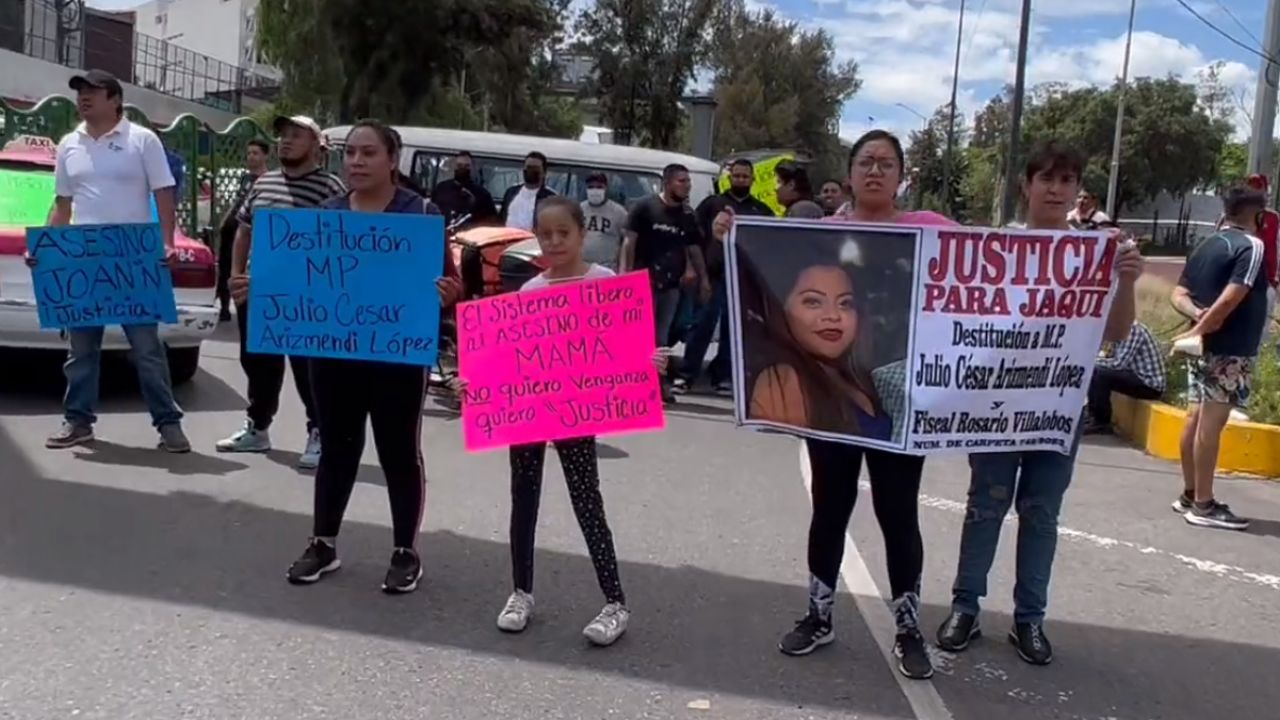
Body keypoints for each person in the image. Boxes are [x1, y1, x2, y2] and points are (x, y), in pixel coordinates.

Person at [714, 129, 955, 680]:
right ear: (848, 174)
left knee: (898, 514)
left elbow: (1001, 262)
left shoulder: (932, 230)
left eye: (886, 163)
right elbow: (762, 267)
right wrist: (731, 235)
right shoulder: (817, 234)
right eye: (866, 162)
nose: (875, 171)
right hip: (830, 407)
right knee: (830, 507)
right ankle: (818, 616)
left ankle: (908, 626)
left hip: (899, 403)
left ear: (901, 176)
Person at [935, 141, 1142, 666]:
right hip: (995, 408)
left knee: (1041, 513)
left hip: (1057, 407)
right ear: (1026, 186)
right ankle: (965, 607)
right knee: (986, 505)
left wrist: (1128, 281)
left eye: (1067, 180)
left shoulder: (1097, 255)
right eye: (1046, 178)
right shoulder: (996, 248)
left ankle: (1030, 619)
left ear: (1078, 192)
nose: (1056, 188)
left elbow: (1115, 333)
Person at [260, 120, 463, 592]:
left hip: (396, 357)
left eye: (368, 153)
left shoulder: (421, 215)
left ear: (392, 160)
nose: (356, 161)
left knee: (398, 452)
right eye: (350, 153)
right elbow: (298, 280)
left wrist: (448, 293)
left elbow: (450, 286)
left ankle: (405, 551)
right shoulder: (326, 215)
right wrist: (262, 288)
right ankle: (323, 543)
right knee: (337, 448)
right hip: (332, 357)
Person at [463, 196, 667, 645]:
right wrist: (474, 386)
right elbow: (506, 361)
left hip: (577, 411)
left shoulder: (605, 283)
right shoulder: (530, 291)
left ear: (582, 234)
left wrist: (647, 363)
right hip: (530, 411)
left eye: (564, 233)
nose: (554, 242)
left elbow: (624, 348)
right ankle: (521, 592)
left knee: (586, 500)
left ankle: (615, 602)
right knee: (524, 497)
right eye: (546, 234)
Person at [31, 69, 190, 453]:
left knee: (147, 349)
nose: (83, 97)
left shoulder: (142, 140)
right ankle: (78, 421)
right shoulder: (70, 144)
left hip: (132, 261)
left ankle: (168, 423)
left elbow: (164, 193)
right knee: (81, 351)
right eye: (80, 92)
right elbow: (63, 204)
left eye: (92, 91)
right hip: (85, 264)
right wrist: (49, 247)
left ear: (115, 99)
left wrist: (166, 242)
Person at [222, 116, 346, 468]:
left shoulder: (330, 188)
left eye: (296, 135)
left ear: (317, 147)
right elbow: (244, 231)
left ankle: (319, 431)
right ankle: (257, 428)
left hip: (307, 299)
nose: (285, 141)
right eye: (283, 135)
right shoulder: (264, 183)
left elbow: (341, 244)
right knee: (258, 364)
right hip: (259, 292)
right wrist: (236, 276)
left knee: (309, 369)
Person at [1168, 185, 1269, 532]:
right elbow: (1232, 297)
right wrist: (1204, 326)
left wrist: (1196, 319)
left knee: (1196, 417)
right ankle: (1204, 504)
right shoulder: (1252, 246)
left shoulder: (1206, 244)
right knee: (1211, 423)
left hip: (1205, 347)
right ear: (1257, 215)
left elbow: (1178, 294)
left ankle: (1190, 492)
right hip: (1231, 349)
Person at [740, 243, 892, 440]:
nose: (833, 316)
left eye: (845, 303)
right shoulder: (782, 381)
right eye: (813, 302)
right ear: (781, 307)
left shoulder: (857, 376)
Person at [679, 159, 775, 396]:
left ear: (753, 179)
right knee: (702, 325)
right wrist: (693, 269)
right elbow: (693, 236)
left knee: (734, 331)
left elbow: (770, 245)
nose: (741, 180)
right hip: (712, 277)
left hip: (742, 280)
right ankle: (687, 375)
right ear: (729, 178)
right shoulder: (713, 204)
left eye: (745, 176)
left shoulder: (761, 211)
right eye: (737, 176)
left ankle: (723, 377)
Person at [622, 164, 710, 402]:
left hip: (671, 286)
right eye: (682, 181)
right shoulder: (644, 207)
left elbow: (693, 248)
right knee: (638, 335)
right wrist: (625, 276)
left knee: (661, 338)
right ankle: (634, 385)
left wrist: (703, 280)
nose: (687, 185)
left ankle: (658, 384)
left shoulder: (687, 215)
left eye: (688, 181)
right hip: (642, 281)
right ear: (668, 182)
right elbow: (629, 242)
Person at [216, 139, 270, 322]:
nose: (251, 157)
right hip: (231, 230)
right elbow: (237, 203)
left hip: (248, 233)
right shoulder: (246, 178)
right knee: (225, 267)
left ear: (265, 156)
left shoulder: (267, 180)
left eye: (255, 153)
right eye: (249, 153)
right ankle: (223, 306)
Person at [1085, 321, 1166, 434]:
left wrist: (1090, 362)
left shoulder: (1133, 330)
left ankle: (1101, 422)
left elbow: (1119, 363)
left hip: (1149, 384)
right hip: (1135, 376)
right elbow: (1108, 356)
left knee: (1099, 373)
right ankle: (1092, 415)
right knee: (1096, 371)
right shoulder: (1117, 331)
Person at [431, 150, 497, 227]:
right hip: (443, 231)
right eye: (459, 165)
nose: (463, 168)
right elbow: (432, 213)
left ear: (472, 167)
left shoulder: (482, 194)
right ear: (454, 167)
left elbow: (491, 220)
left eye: (466, 166)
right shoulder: (441, 189)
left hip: (470, 234)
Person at [580, 172, 628, 271]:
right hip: (581, 267)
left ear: (606, 188)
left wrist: (623, 268)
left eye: (599, 187)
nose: (595, 190)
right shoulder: (578, 209)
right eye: (591, 187)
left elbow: (626, 242)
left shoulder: (619, 212)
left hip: (607, 267)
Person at [500, 151, 555, 231]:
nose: (531, 171)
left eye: (535, 168)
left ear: (544, 173)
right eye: (528, 167)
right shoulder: (511, 192)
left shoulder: (550, 199)